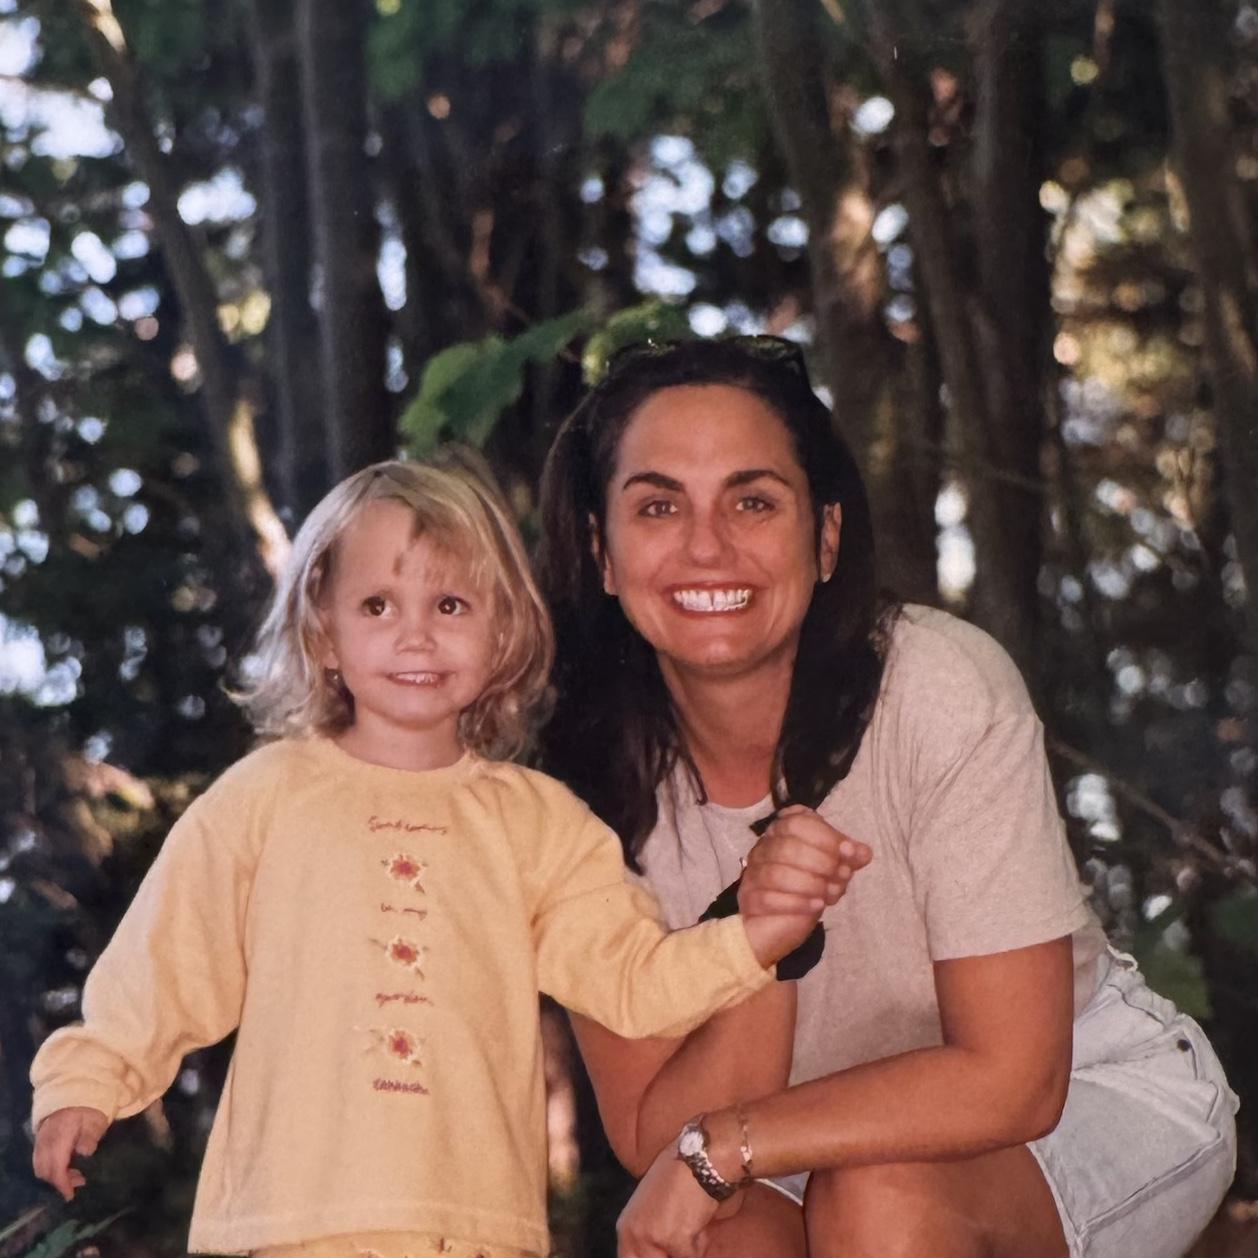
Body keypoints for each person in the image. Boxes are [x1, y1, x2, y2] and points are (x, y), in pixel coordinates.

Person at [29, 453, 863, 1258]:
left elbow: (632, 981)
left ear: (502, 633)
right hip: (293, 1218)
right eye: (379, 607)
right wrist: (87, 1082)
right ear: (324, 631)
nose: (417, 637)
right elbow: (169, 957)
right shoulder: (266, 798)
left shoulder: (540, 825)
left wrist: (752, 936)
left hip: (474, 1225)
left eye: (452, 607)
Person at [537, 336, 1239, 1258]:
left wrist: (724, 1147)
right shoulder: (577, 786)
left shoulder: (934, 686)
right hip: (790, 1141)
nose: (706, 545)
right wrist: (760, 939)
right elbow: (649, 1129)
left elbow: (1015, 1079)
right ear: (602, 551)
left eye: (753, 501)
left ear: (825, 537)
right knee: (715, 1238)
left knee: (878, 1197)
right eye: (659, 505)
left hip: (1082, 1092)